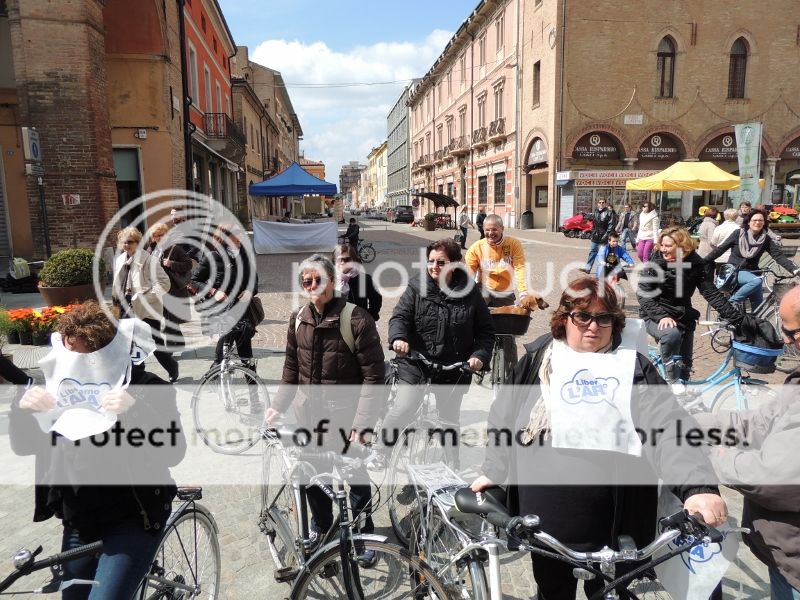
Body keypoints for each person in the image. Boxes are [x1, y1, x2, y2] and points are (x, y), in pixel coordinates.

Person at [471, 278, 728, 600]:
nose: (593, 326)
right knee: (551, 591)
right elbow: (503, 416)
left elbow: (668, 426)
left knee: (607, 593)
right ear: (564, 318)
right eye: (583, 316)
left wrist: (698, 487)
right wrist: (494, 469)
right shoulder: (538, 360)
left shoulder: (633, 368)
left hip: (612, 523)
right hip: (543, 520)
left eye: (604, 318)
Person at [9, 301, 186, 600]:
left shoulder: (146, 387)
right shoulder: (57, 390)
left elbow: (174, 451)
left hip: (133, 519)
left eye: (79, 357)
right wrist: (23, 411)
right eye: (67, 354)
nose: (70, 365)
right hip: (80, 520)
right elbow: (24, 446)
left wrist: (135, 411)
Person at [265, 254, 384, 551]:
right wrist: (278, 406)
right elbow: (291, 368)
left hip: (346, 418)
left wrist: (363, 424)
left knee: (354, 475)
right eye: (307, 281)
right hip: (308, 415)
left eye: (319, 279)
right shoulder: (298, 319)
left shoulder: (356, 319)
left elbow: (374, 378)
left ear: (332, 281)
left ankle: (362, 530)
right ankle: (322, 526)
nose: (313, 285)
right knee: (312, 474)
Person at [696, 286, 800, 599]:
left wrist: (714, 455)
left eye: (791, 332)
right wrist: (695, 424)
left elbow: (776, 478)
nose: (786, 340)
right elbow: (761, 422)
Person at [383, 238, 495, 467]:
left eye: (441, 262)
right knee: (404, 407)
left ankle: (452, 464)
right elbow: (400, 317)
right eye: (431, 261)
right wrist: (398, 338)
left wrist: (479, 356)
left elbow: (485, 332)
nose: (434, 266)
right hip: (416, 361)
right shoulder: (416, 286)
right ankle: (381, 450)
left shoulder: (471, 293)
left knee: (449, 420)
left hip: (453, 366)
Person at [637, 226, 743, 385]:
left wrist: (736, 318)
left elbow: (711, 293)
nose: (663, 249)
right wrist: (661, 316)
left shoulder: (695, 263)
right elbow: (643, 294)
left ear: (682, 247)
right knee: (671, 335)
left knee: (685, 366)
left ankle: (683, 393)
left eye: (668, 246)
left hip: (683, 315)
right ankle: (671, 379)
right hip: (654, 314)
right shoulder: (655, 263)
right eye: (662, 245)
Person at [112, 226, 177, 382]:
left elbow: (164, 283)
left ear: (138, 243)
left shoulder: (149, 260)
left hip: (147, 310)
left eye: (130, 242)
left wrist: (144, 298)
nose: (126, 245)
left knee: (156, 346)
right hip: (125, 309)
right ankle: (137, 375)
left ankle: (172, 366)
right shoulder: (120, 260)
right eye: (123, 242)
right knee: (130, 344)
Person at [191, 223, 260, 371]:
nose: (240, 240)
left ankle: (252, 382)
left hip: (242, 312)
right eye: (236, 237)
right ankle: (216, 373)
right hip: (221, 312)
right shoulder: (212, 257)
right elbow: (194, 281)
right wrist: (213, 292)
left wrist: (249, 291)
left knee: (245, 351)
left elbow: (254, 279)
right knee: (222, 351)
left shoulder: (246, 256)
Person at [703, 209, 800, 312]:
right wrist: (702, 261)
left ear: (764, 223)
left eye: (760, 220)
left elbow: (778, 256)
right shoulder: (738, 234)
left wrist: (794, 269)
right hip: (735, 271)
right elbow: (720, 250)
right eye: (754, 220)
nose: (757, 222)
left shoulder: (765, 239)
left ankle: (754, 321)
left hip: (753, 272)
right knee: (757, 281)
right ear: (749, 222)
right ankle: (731, 303)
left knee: (758, 308)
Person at [146, 223, 193, 363]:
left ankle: (170, 350)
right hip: (157, 289)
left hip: (173, 290)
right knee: (168, 320)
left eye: (161, 235)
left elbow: (188, 264)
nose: (159, 238)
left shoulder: (175, 249)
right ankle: (179, 343)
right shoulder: (151, 249)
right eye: (156, 235)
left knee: (169, 321)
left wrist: (172, 264)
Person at [464, 214, 529, 307]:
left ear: (502, 229)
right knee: (475, 310)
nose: (490, 233)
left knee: (508, 315)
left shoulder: (513, 244)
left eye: (494, 229)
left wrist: (523, 293)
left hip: (505, 290)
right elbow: (469, 270)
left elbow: (520, 268)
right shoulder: (476, 247)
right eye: (487, 230)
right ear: (483, 229)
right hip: (484, 288)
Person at [332, 244, 382, 321]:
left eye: (347, 259)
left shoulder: (364, 279)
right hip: (335, 323)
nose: (342, 262)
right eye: (339, 260)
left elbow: (376, 298)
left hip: (358, 323)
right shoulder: (329, 279)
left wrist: (370, 316)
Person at [581, 197, 615, 273]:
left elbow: (611, 225)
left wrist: (606, 235)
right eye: (600, 202)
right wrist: (585, 216)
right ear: (597, 204)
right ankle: (587, 268)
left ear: (605, 203)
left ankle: (610, 268)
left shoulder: (609, 213)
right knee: (592, 251)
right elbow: (593, 221)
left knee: (606, 253)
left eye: (603, 202)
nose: (601, 204)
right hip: (596, 235)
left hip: (605, 235)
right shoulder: (596, 212)